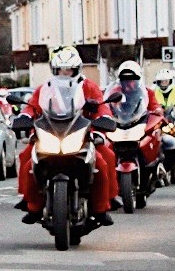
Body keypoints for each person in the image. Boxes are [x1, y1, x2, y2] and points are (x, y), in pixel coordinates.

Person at [14, 46, 116, 227]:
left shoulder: (88, 86)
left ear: (77, 69)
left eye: (69, 69)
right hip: (51, 132)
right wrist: (24, 116)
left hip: (82, 132)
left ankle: (102, 206)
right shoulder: (46, 88)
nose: (65, 72)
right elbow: (33, 106)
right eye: (61, 69)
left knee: (103, 159)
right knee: (28, 159)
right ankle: (32, 204)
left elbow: (102, 106)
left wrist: (104, 118)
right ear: (55, 70)